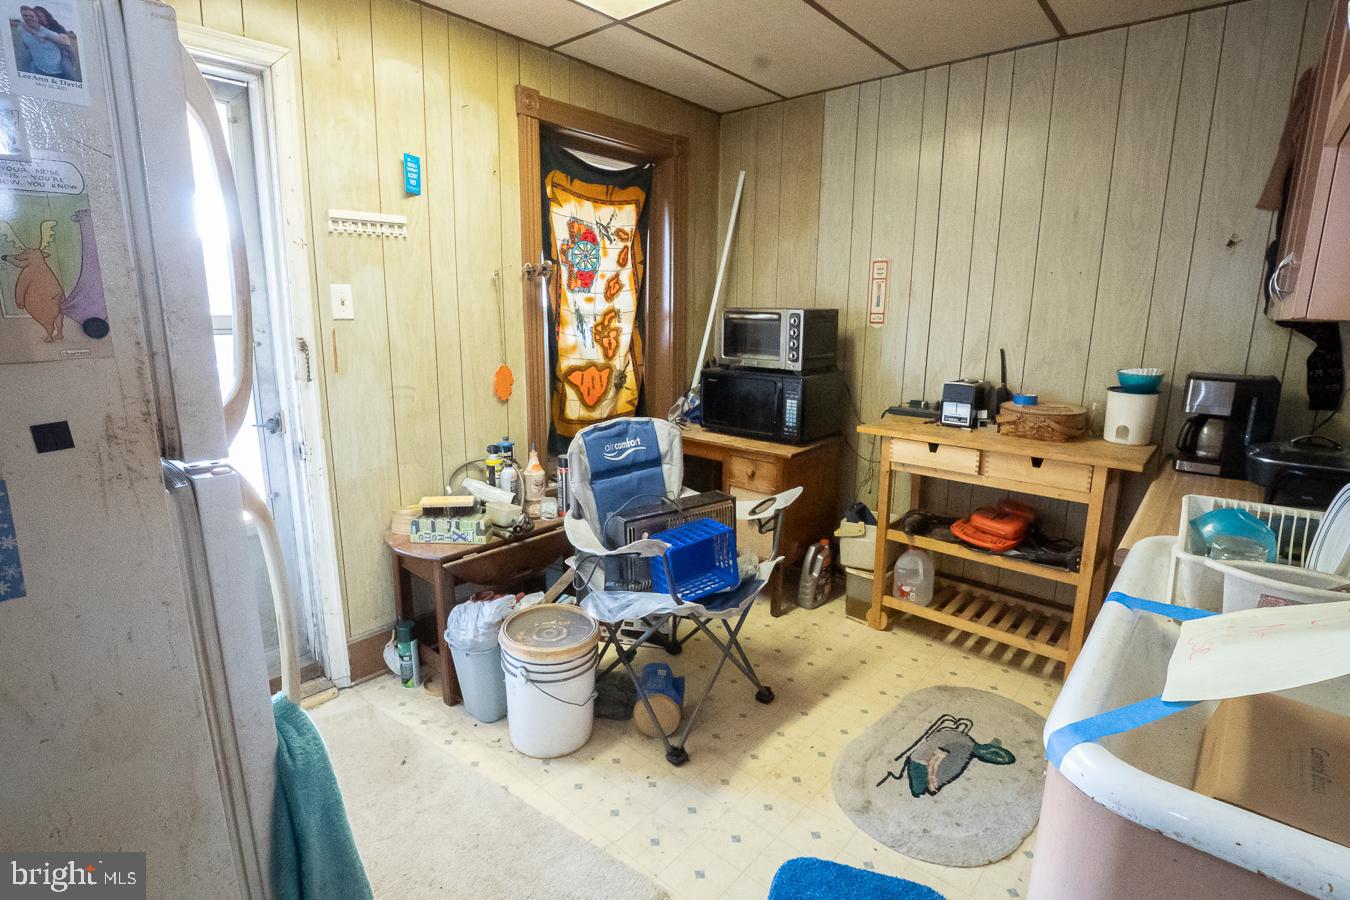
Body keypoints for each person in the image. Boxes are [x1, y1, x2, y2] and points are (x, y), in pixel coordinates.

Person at [15, 5, 70, 79]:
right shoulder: (23, 27)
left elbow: (66, 41)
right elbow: (22, 22)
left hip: (61, 49)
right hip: (38, 61)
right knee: (26, 61)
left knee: (67, 69)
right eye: (25, 15)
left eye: (43, 16)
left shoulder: (54, 25)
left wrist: (48, 37)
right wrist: (36, 34)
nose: (41, 18)